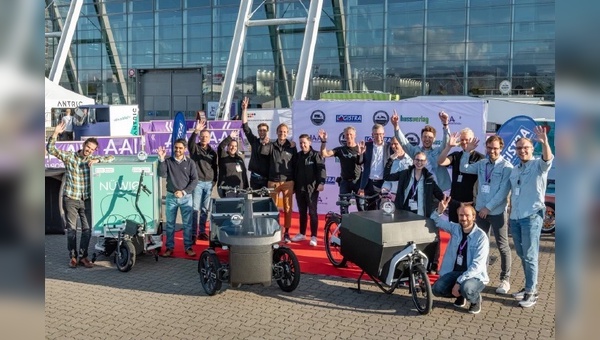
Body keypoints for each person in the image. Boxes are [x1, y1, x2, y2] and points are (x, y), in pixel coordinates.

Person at [46, 121, 115, 268]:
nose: (89, 150)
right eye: (88, 147)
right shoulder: (70, 157)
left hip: (86, 199)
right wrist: (56, 133)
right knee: (71, 230)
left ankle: (84, 256)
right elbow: (50, 149)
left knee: (87, 230)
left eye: (92, 150)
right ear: (83, 145)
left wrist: (97, 159)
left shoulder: (91, 159)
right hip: (70, 198)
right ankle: (73, 256)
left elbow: (111, 157)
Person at [459, 135, 513, 295]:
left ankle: (505, 279)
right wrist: (467, 152)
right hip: (480, 211)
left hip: (496, 212)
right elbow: (464, 168)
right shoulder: (482, 164)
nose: (492, 151)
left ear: (501, 148)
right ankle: (481, 275)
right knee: (481, 244)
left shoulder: (507, 167)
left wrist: (487, 208)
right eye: (489, 148)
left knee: (502, 245)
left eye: (495, 148)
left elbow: (503, 192)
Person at [508, 126, 553, 308]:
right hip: (516, 217)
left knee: (530, 255)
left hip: (532, 217)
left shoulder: (538, 165)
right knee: (521, 254)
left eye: (525, 147)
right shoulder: (515, 170)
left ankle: (531, 292)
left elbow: (547, 159)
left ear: (531, 148)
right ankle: (528, 286)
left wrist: (545, 142)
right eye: (519, 148)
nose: (522, 151)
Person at [383, 151, 446, 272]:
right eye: (417, 160)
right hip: (405, 214)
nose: (419, 162)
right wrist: (390, 161)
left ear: (425, 162)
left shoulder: (429, 178)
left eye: (422, 160)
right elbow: (386, 177)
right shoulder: (404, 173)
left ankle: (432, 265)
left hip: (422, 215)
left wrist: (449, 202)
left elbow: (439, 194)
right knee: (405, 240)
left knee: (429, 239)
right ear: (413, 161)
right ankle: (405, 266)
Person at [430, 196, 490, 315]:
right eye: (461, 215)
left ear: (474, 217)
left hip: (474, 275)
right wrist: (440, 211)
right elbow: (435, 220)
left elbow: (477, 266)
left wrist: (458, 282)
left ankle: (475, 299)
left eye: (467, 215)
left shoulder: (481, 237)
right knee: (437, 289)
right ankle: (461, 296)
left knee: (466, 288)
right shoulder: (455, 228)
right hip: (455, 271)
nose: (464, 218)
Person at [390, 110, 451, 191]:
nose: (427, 139)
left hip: (440, 190)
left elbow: (446, 142)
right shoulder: (415, 151)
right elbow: (403, 141)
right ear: (421, 138)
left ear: (434, 139)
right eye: (425, 137)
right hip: (422, 189)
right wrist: (396, 126)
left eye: (430, 137)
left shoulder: (439, 151)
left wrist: (445, 124)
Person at [157, 140, 198, 258]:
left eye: (180, 148)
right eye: (176, 148)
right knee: (170, 224)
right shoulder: (168, 161)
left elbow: (194, 180)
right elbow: (162, 174)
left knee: (187, 225)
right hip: (171, 197)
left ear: (185, 149)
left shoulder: (190, 163)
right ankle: (169, 248)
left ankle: (188, 247)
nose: (178, 150)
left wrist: (184, 192)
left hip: (186, 198)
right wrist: (161, 159)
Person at [437, 128, 485, 222]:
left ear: (472, 140)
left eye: (467, 139)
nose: (464, 142)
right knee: (454, 230)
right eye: (462, 139)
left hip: (470, 202)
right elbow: (441, 162)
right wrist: (448, 147)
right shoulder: (456, 155)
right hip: (455, 201)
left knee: (468, 231)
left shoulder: (480, 158)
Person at [260, 123, 297, 243]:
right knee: (273, 208)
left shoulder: (291, 146)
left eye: (285, 132)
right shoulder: (271, 145)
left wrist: (295, 182)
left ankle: (286, 232)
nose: (282, 134)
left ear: (287, 133)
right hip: (273, 181)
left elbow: (296, 164)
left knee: (288, 208)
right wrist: (265, 143)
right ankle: (274, 230)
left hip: (288, 181)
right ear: (277, 133)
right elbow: (263, 153)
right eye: (280, 132)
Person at [319, 126, 366, 211]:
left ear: (355, 135)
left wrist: (360, 153)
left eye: (351, 134)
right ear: (344, 136)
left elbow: (363, 163)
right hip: (345, 182)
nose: (349, 136)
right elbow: (324, 154)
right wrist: (323, 141)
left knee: (361, 207)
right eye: (347, 134)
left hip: (358, 182)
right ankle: (344, 224)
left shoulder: (360, 148)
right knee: (343, 207)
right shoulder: (340, 150)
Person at [291, 134, 326, 246]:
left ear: (310, 142)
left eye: (304, 142)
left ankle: (314, 236)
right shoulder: (298, 156)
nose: (302, 145)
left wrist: (321, 182)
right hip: (299, 188)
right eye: (301, 143)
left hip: (312, 189)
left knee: (312, 212)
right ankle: (302, 233)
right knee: (302, 213)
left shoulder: (315, 155)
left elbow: (321, 169)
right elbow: (293, 171)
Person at [188, 119, 218, 241]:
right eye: (202, 136)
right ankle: (193, 233)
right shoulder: (195, 149)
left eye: (206, 137)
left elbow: (215, 168)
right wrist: (196, 131)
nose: (204, 138)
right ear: (199, 138)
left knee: (205, 209)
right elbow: (190, 143)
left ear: (210, 138)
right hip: (198, 183)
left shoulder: (213, 152)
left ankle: (202, 231)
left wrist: (214, 182)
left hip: (209, 183)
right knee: (195, 209)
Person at [240, 97, 270, 193]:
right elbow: (245, 127)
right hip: (255, 177)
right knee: (255, 201)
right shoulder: (254, 141)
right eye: (260, 130)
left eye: (264, 130)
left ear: (267, 131)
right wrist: (244, 109)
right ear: (258, 131)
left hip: (267, 178)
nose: (262, 132)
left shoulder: (272, 145)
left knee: (266, 201)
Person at [358, 124, 391, 210]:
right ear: (372, 135)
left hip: (383, 183)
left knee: (382, 209)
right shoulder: (366, 146)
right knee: (370, 210)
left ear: (384, 134)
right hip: (369, 183)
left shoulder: (389, 147)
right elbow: (359, 162)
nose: (378, 136)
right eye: (376, 134)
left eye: (380, 134)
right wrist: (360, 153)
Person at [217, 130, 249, 197]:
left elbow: (243, 174)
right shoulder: (223, 157)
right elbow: (220, 147)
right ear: (228, 147)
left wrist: (246, 187)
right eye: (231, 146)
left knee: (241, 207)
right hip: (227, 189)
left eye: (235, 146)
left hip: (240, 189)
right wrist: (230, 137)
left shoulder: (239, 159)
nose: (233, 148)